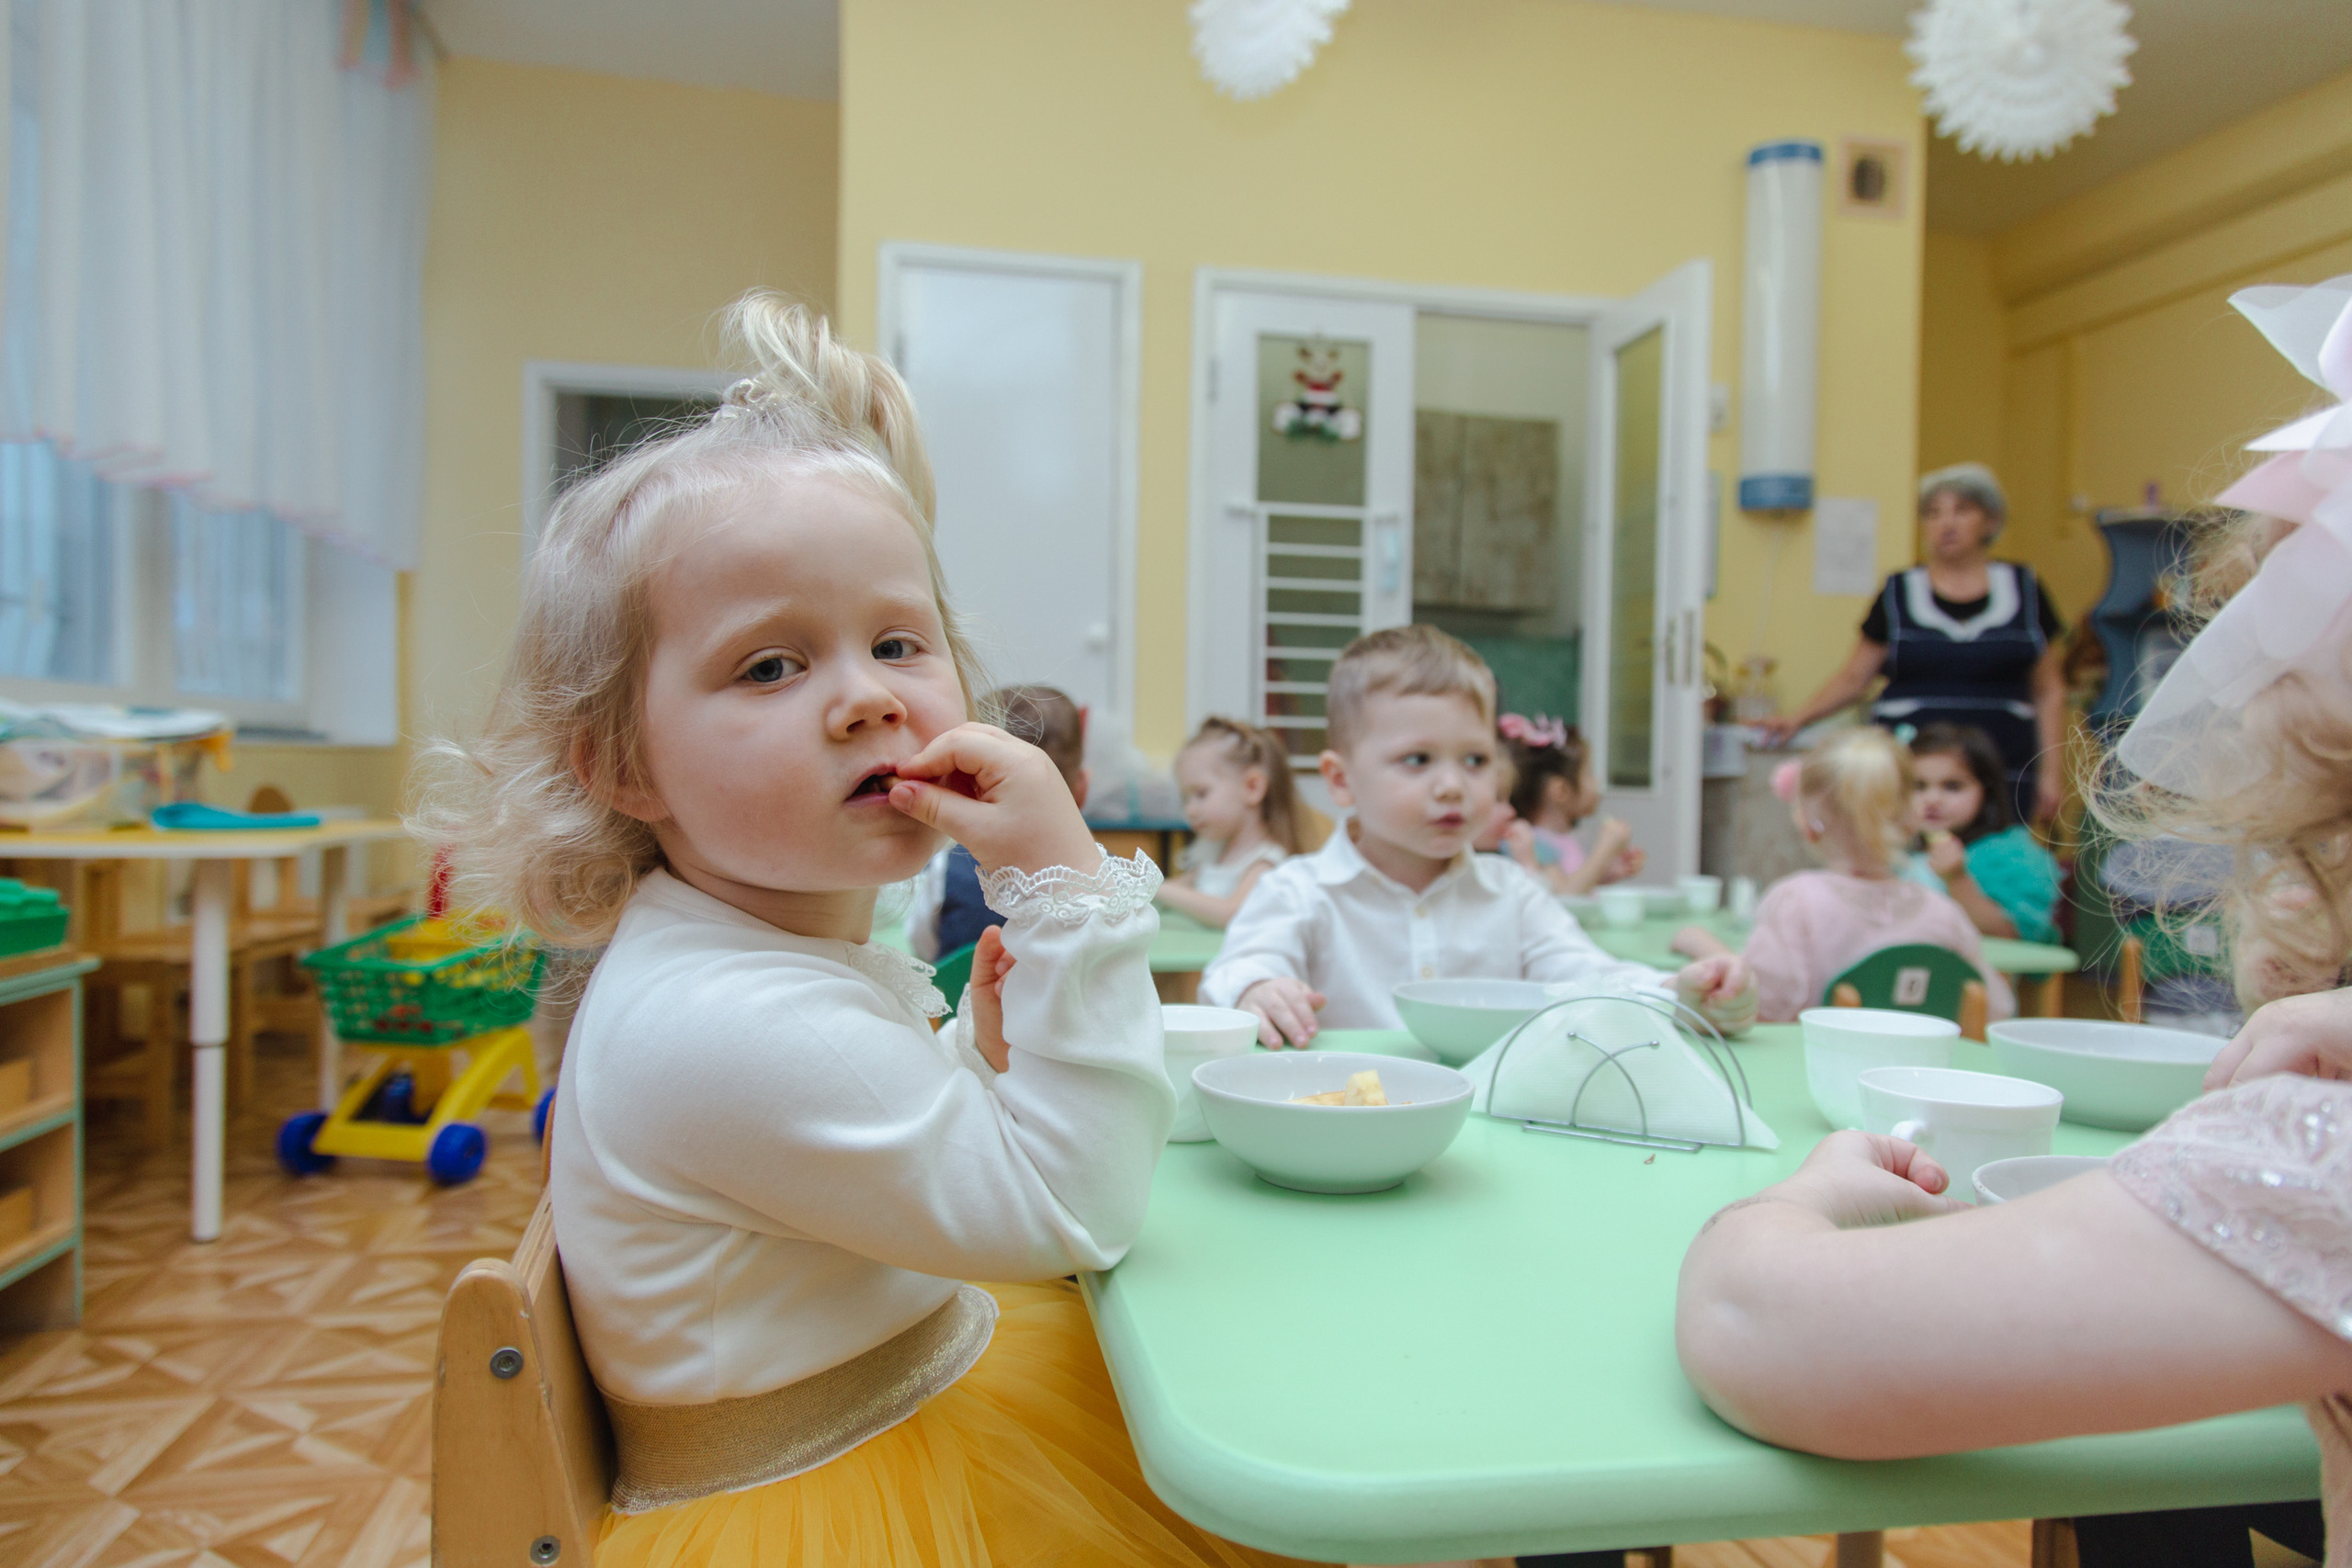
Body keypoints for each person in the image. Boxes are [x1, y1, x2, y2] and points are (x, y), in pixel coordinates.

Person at [420, 292, 1303, 1568]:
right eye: (771, 665)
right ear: (619, 761)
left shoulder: (741, 947)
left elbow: (858, 1152)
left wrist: (970, 1061)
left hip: (907, 1372)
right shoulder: (717, 1016)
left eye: (898, 639)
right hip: (833, 1494)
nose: (868, 698)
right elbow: (1075, 1212)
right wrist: (1064, 870)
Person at [1674, 272, 2352, 1568]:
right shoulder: (1896, 607)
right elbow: (1860, 670)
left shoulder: (2317, 1153)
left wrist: (1798, 1200)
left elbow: (1765, 1323)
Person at [1198, 625, 1758, 1048]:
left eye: (1475, 759)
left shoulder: (1513, 895)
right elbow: (1232, 973)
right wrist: (1257, 989)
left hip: (1492, 1140)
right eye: (1417, 760)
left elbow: (1591, 977)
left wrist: (1679, 993)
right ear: (1341, 781)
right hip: (1345, 1129)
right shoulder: (1299, 891)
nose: (1452, 786)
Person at [1759, 464, 2067, 827]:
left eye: (1962, 510)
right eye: (1933, 513)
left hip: (2004, 766)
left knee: (1992, 869)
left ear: (1990, 521)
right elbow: (1855, 677)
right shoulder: (1898, 591)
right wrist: (1796, 719)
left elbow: (2049, 690)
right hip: (1909, 768)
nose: (1946, 524)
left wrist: (2052, 773)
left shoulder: (2026, 588)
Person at [1676, 728, 2012, 1023]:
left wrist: (1706, 947)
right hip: (1916, 1085)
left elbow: (1758, 1003)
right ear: (1912, 818)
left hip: (1814, 1082)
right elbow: (1996, 1007)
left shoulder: (1796, 901)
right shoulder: (1943, 911)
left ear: (1807, 824)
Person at [906, 683, 1087, 961]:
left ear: (969, 785)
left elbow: (923, 949)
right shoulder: (1108, 876)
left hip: (958, 1002)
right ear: (1081, 789)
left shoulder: (944, 869)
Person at [1900, 722, 2063, 943]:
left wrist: (1956, 879)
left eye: (1952, 786)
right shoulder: (1894, 852)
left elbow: (2012, 937)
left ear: (1986, 790)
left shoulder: (2012, 856)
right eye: (1918, 786)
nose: (1932, 799)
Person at [1156, 716, 1301, 928]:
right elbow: (1181, 887)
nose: (1190, 810)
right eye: (1185, 798)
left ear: (1252, 787)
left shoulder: (1266, 862)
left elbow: (1232, 913)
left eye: (1201, 793)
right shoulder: (1214, 853)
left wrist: (1159, 891)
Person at [1495, 712, 1645, 897]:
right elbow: (1565, 898)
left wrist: (1608, 874)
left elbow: (1571, 882)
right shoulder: (1532, 845)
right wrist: (1604, 851)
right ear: (1560, 791)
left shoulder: (1563, 840)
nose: (1597, 783)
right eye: (1589, 774)